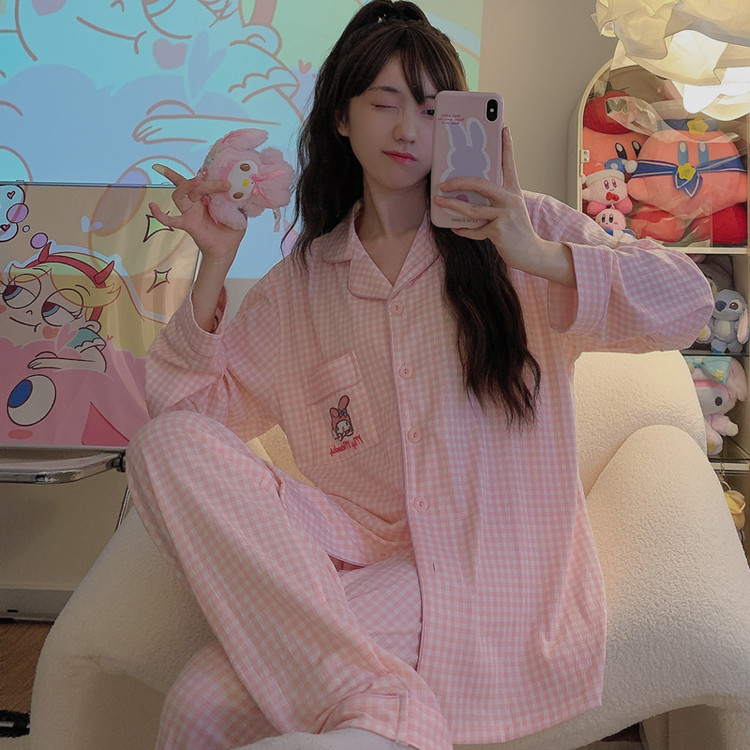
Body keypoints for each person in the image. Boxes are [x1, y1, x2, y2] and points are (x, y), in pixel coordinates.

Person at [127, 3, 713, 750]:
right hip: (352, 559)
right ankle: (384, 704)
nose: (408, 129)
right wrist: (214, 263)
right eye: (384, 103)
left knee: (202, 704)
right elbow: (190, 414)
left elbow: (688, 305)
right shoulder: (302, 285)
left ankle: (379, 709)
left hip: (489, 564)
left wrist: (535, 254)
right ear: (341, 118)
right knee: (162, 445)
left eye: (434, 110)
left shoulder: (523, 230)